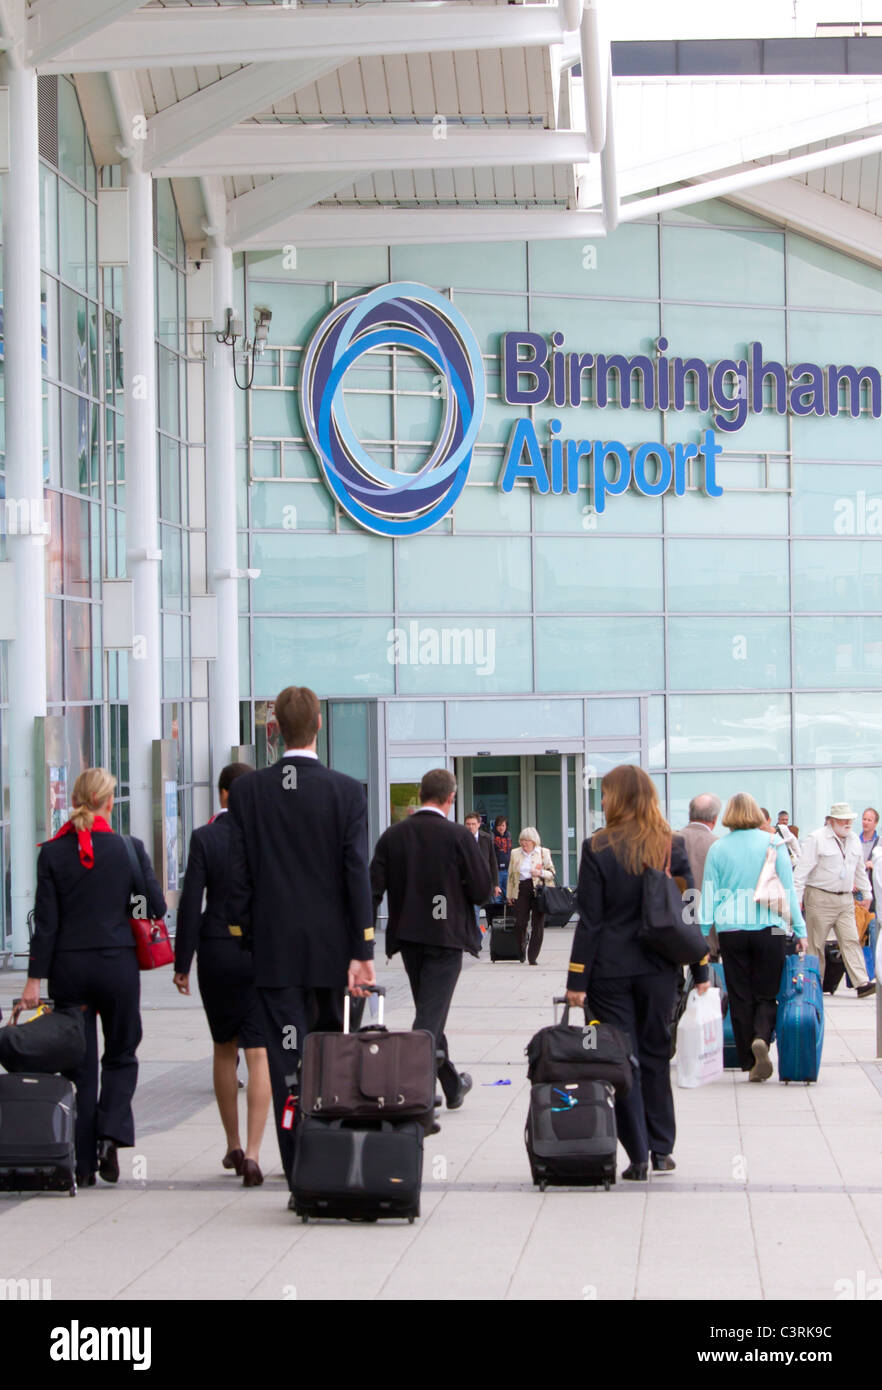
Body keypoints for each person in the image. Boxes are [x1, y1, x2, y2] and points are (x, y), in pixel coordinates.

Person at [225, 685, 376, 1206]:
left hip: (274, 956)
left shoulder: (248, 794)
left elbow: (237, 879)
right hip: (330, 957)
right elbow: (356, 873)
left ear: (274, 732)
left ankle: (300, 1176)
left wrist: (247, 933)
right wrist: (362, 950)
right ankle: (331, 1163)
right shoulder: (345, 792)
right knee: (326, 1059)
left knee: (289, 1066)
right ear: (318, 727)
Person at [21, 768, 166, 1187]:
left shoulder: (51, 853)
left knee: (78, 1063)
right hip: (117, 965)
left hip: (70, 969)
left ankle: (82, 1165)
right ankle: (110, 1134)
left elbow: (46, 925)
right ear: (109, 802)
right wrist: (123, 913)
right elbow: (152, 906)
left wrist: (34, 980)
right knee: (121, 1054)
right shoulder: (128, 848)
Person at [564, 765, 709, 1180]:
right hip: (660, 968)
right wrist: (700, 968)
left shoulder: (596, 848)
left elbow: (589, 921)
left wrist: (577, 981)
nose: (603, 801)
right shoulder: (671, 845)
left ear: (622, 797)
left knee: (622, 1058)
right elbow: (689, 912)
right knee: (655, 1053)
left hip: (609, 971)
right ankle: (663, 1148)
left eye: (606, 794)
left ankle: (639, 1155)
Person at [370, 769, 491, 1113]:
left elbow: (372, 890)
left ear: (420, 794)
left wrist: (363, 941)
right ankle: (415, 1094)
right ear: (450, 799)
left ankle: (452, 1085)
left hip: (409, 938)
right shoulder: (458, 836)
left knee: (429, 1011)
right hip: (446, 937)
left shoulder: (393, 836)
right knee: (428, 1020)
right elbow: (483, 891)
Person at [174, 763, 271, 1188]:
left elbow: (191, 902)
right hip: (260, 951)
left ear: (222, 795)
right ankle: (253, 1153)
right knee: (259, 1051)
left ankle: (231, 1143)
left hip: (216, 949)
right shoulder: (269, 838)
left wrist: (182, 963)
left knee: (222, 1047)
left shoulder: (205, 838)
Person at [701, 793, 806, 1082]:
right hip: (769, 929)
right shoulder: (773, 843)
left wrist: (700, 933)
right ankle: (762, 1037)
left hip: (731, 930)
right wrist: (800, 930)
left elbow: (708, 895)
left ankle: (748, 1061)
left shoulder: (718, 848)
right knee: (766, 993)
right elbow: (789, 890)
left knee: (740, 995)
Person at [792, 803, 874, 997]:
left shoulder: (853, 839)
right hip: (820, 896)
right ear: (832, 821)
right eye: (843, 820)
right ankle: (814, 982)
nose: (848, 823)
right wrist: (796, 900)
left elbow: (859, 869)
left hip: (845, 898)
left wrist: (867, 893)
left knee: (851, 939)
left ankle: (861, 982)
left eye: (849, 820)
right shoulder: (817, 838)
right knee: (816, 944)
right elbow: (801, 872)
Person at [679, 794, 721, 953]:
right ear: (715, 819)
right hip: (709, 928)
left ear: (690, 814)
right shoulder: (718, 845)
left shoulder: (670, 840)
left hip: (676, 926)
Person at [507, 827, 554, 965]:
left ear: (534, 841)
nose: (524, 843)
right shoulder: (515, 853)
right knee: (520, 922)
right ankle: (521, 950)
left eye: (527, 840)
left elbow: (552, 872)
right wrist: (509, 895)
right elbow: (511, 876)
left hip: (538, 889)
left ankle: (533, 956)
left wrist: (539, 873)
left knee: (537, 923)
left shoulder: (543, 852)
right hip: (521, 889)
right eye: (522, 840)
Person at [464, 811, 500, 936]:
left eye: (473, 824)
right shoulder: (461, 838)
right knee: (474, 912)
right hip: (468, 883)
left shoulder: (487, 838)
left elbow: (493, 862)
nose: (470, 827)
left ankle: (479, 936)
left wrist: (496, 884)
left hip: (485, 882)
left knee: (485, 913)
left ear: (479, 824)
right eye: (468, 824)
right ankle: (476, 939)